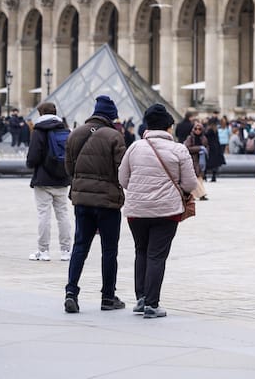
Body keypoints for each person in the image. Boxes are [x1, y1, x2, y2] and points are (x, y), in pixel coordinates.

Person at [119, 104, 198, 319]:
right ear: (169, 127)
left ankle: (141, 298)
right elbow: (191, 184)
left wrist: (140, 192)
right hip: (166, 210)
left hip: (136, 210)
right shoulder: (179, 150)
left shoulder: (135, 147)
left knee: (141, 251)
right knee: (156, 255)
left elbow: (122, 178)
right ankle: (152, 304)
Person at [63, 95, 127, 313]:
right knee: (109, 250)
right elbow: (122, 171)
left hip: (82, 201)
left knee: (80, 246)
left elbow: (69, 169)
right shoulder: (114, 136)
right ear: (111, 116)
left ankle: (71, 292)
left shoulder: (75, 134)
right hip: (108, 202)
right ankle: (108, 297)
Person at [25, 102, 72, 262]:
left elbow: (33, 157)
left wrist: (31, 164)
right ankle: (66, 251)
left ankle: (43, 251)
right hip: (62, 179)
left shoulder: (39, 131)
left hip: (43, 179)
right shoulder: (65, 129)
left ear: (41, 113)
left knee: (43, 215)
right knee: (63, 215)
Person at [183, 122, 209, 200]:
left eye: (199, 129)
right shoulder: (190, 138)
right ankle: (202, 194)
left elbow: (207, 147)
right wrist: (199, 148)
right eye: (196, 129)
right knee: (195, 178)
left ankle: (194, 195)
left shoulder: (204, 138)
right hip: (193, 160)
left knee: (200, 178)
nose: (197, 130)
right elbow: (187, 148)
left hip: (201, 160)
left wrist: (204, 151)